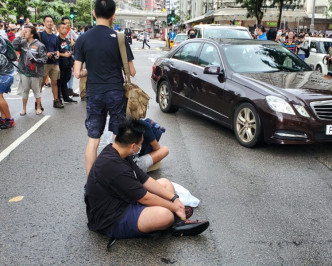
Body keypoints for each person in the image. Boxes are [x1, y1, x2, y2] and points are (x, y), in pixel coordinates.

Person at [85, 118, 210, 239]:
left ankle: (176, 222)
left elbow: (145, 179)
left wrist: (174, 198)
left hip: (123, 199)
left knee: (165, 184)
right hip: (111, 218)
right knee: (165, 215)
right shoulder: (114, 166)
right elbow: (145, 198)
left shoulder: (117, 152)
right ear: (133, 146)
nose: (140, 147)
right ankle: (174, 220)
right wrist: (174, 207)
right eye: (140, 144)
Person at [74, 0, 136, 175]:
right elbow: (131, 70)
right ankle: (116, 179)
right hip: (116, 93)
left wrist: (90, 70)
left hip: (94, 93)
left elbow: (77, 72)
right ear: (113, 15)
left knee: (93, 140)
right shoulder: (120, 38)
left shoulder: (82, 38)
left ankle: (91, 184)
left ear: (94, 13)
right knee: (118, 138)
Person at [12, 25, 48, 115]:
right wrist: (20, 35)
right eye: (24, 31)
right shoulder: (23, 42)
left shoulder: (40, 45)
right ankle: (23, 109)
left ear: (32, 34)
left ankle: (38, 107)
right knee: (25, 90)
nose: (24, 33)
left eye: (26, 31)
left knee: (37, 90)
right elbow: (14, 45)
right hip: (24, 71)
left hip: (35, 72)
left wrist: (35, 60)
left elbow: (44, 59)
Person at [40, 15, 63, 108]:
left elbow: (57, 48)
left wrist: (57, 54)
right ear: (44, 23)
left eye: (51, 21)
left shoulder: (55, 37)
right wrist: (46, 54)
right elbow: (37, 48)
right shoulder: (40, 35)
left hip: (54, 62)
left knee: (54, 82)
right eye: (47, 21)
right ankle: (38, 102)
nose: (50, 23)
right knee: (41, 83)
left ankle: (56, 100)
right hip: (44, 63)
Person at [57, 22, 77, 104]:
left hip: (68, 63)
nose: (64, 30)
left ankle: (66, 97)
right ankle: (58, 99)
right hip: (60, 64)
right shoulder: (56, 40)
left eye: (65, 28)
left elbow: (70, 49)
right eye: (62, 28)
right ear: (58, 29)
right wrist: (63, 54)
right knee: (59, 82)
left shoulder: (67, 40)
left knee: (65, 80)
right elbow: (56, 52)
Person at [0, 35, 16, 129]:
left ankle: (10, 119)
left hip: (3, 74)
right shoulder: (2, 38)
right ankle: (3, 119)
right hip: (8, 73)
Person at [61, 16, 79, 97]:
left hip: (71, 55)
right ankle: (62, 91)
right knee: (63, 74)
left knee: (71, 73)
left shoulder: (71, 32)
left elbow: (77, 40)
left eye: (68, 23)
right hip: (62, 56)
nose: (67, 25)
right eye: (65, 23)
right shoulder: (60, 32)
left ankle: (70, 89)